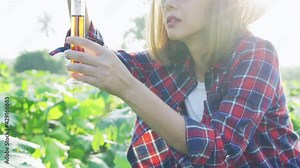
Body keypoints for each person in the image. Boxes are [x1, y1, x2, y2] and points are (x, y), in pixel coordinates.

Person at [50, 0, 300, 167]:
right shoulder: (170, 64)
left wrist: (128, 87)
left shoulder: (256, 54)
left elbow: (219, 149)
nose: (168, 4)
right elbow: (97, 54)